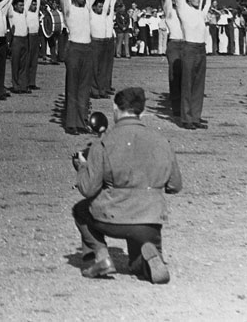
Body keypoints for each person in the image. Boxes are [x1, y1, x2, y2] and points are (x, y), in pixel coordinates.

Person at [73, 87, 182, 283]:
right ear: (142, 109)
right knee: (138, 262)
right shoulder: (161, 141)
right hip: (150, 221)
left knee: (80, 210)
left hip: (113, 219)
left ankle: (102, 257)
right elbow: (175, 185)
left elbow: (88, 189)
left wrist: (82, 167)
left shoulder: (104, 143)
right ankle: (149, 253)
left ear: (115, 108)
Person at [59, 0, 101, 135]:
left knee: (84, 88)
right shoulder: (69, 10)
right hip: (74, 49)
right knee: (73, 87)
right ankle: (71, 123)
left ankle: (82, 122)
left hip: (88, 49)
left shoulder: (87, 9)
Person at [174, 0, 211, 129]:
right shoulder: (183, 9)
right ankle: (187, 118)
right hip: (188, 50)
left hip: (201, 50)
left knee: (198, 86)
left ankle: (196, 116)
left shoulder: (199, 12)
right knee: (187, 85)